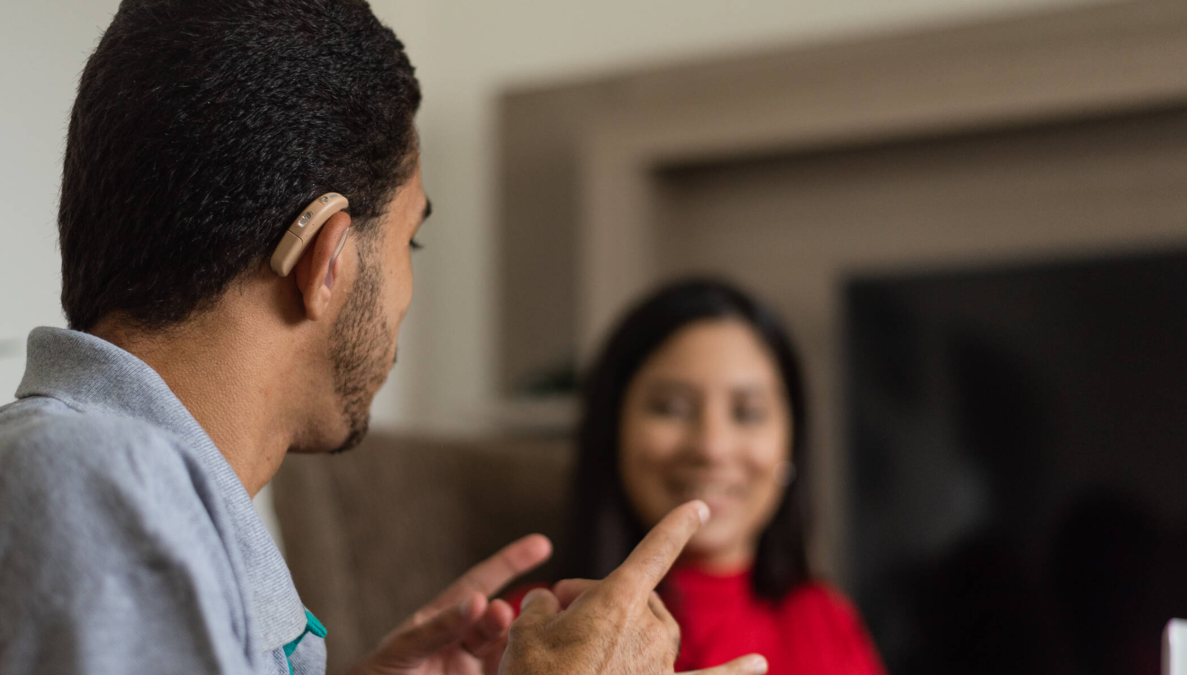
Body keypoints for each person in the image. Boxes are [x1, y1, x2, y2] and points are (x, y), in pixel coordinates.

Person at [0, 3, 770, 675]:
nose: (406, 294)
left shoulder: (110, 485)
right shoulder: (100, 482)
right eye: (411, 241)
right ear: (325, 259)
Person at [512, 279, 885, 675]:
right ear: (612, 429)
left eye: (748, 413)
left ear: (791, 441)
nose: (712, 447)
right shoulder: (526, 633)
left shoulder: (827, 621)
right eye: (671, 408)